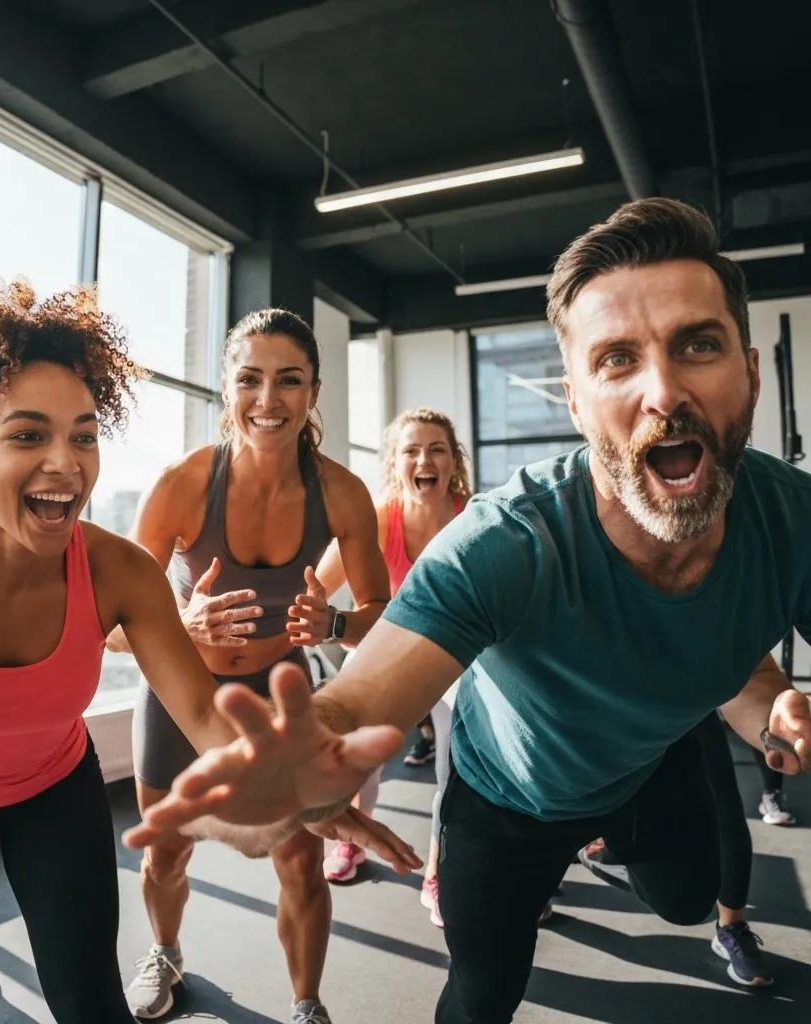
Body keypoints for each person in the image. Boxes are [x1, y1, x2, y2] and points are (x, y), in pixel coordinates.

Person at [125, 199, 811, 1024]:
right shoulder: (504, 540)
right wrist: (307, 755)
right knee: (481, 995)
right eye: (618, 359)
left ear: (752, 371)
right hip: (506, 797)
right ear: (574, 402)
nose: (664, 391)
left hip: (645, 766)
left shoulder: (791, 518)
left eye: (697, 345)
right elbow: (364, 690)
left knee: (690, 897)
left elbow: (732, 635)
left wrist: (772, 700)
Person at [0, 286, 417, 1022]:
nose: (66, 463)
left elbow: (206, 718)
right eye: (29, 436)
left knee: (91, 1003)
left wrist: (297, 786)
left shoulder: (120, 571)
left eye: (83, 437)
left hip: (57, 794)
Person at [112, 308, 392, 1024]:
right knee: (166, 851)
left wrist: (334, 624)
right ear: (226, 387)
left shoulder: (341, 493)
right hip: (180, 693)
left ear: (314, 391)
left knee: (300, 857)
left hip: (278, 690)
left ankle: (307, 1002)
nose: (268, 400)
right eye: (250, 379)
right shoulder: (181, 485)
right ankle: (165, 952)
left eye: (289, 380)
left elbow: (381, 617)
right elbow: (110, 628)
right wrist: (179, 624)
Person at [315, 408, 470, 925]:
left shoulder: (472, 515)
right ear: (395, 462)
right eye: (411, 451)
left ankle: (438, 868)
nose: (424, 460)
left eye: (437, 449)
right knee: (361, 760)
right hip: (385, 647)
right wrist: (323, 620)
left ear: (453, 461)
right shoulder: (381, 519)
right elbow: (318, 587)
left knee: (455, 766)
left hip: (452, 653)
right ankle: (352, 839)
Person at [580, 705, 777, 986]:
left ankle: (732, 926)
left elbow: (751, 687)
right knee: (550, 803)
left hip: (681, 706)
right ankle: (540, 894)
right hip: (581, 712)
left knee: (723, 805)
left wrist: (770, 732)